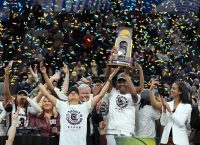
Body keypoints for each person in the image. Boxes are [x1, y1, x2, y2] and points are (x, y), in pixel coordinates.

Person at [30, 65, 119, 145]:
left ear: (79, 97)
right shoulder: (62, 105)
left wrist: (110, 78)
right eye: (71, 92)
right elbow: (46, 94)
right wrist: (38, 79)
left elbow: (100, 95)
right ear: (67, 97)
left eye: (75, 92)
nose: (73, 92)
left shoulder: (85, 107)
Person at [102, 68, 141, 145]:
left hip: (127, 131)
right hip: (111, 131)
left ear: (129, 83)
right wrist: (110, 69)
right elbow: (107, 80)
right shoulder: (113, 93)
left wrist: (127, 76)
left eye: (124, 81)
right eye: (119, 82)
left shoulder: (135, 96)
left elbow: (133, 94)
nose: (122, 84)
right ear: (116, 84)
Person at [150, 80, 192, 145]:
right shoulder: (168, 104)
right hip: (166, 141)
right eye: (171, 88)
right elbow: (163, 123)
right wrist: (164, 110)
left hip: (180, 141)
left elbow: (180, 123)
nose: (171, 90)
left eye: (174, 88)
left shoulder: (187, 106)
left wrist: (170, 111)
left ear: (180, 92)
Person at [4, 63, 41, 127]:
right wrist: (7, 75)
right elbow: (7, 92)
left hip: (24, 134)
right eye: (20, 94)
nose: (22, 96)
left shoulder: (28, 109)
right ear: (16, 97)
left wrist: (27, 98)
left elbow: (38, 110)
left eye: (24, 95)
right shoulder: (11, 107)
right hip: (12, 133)